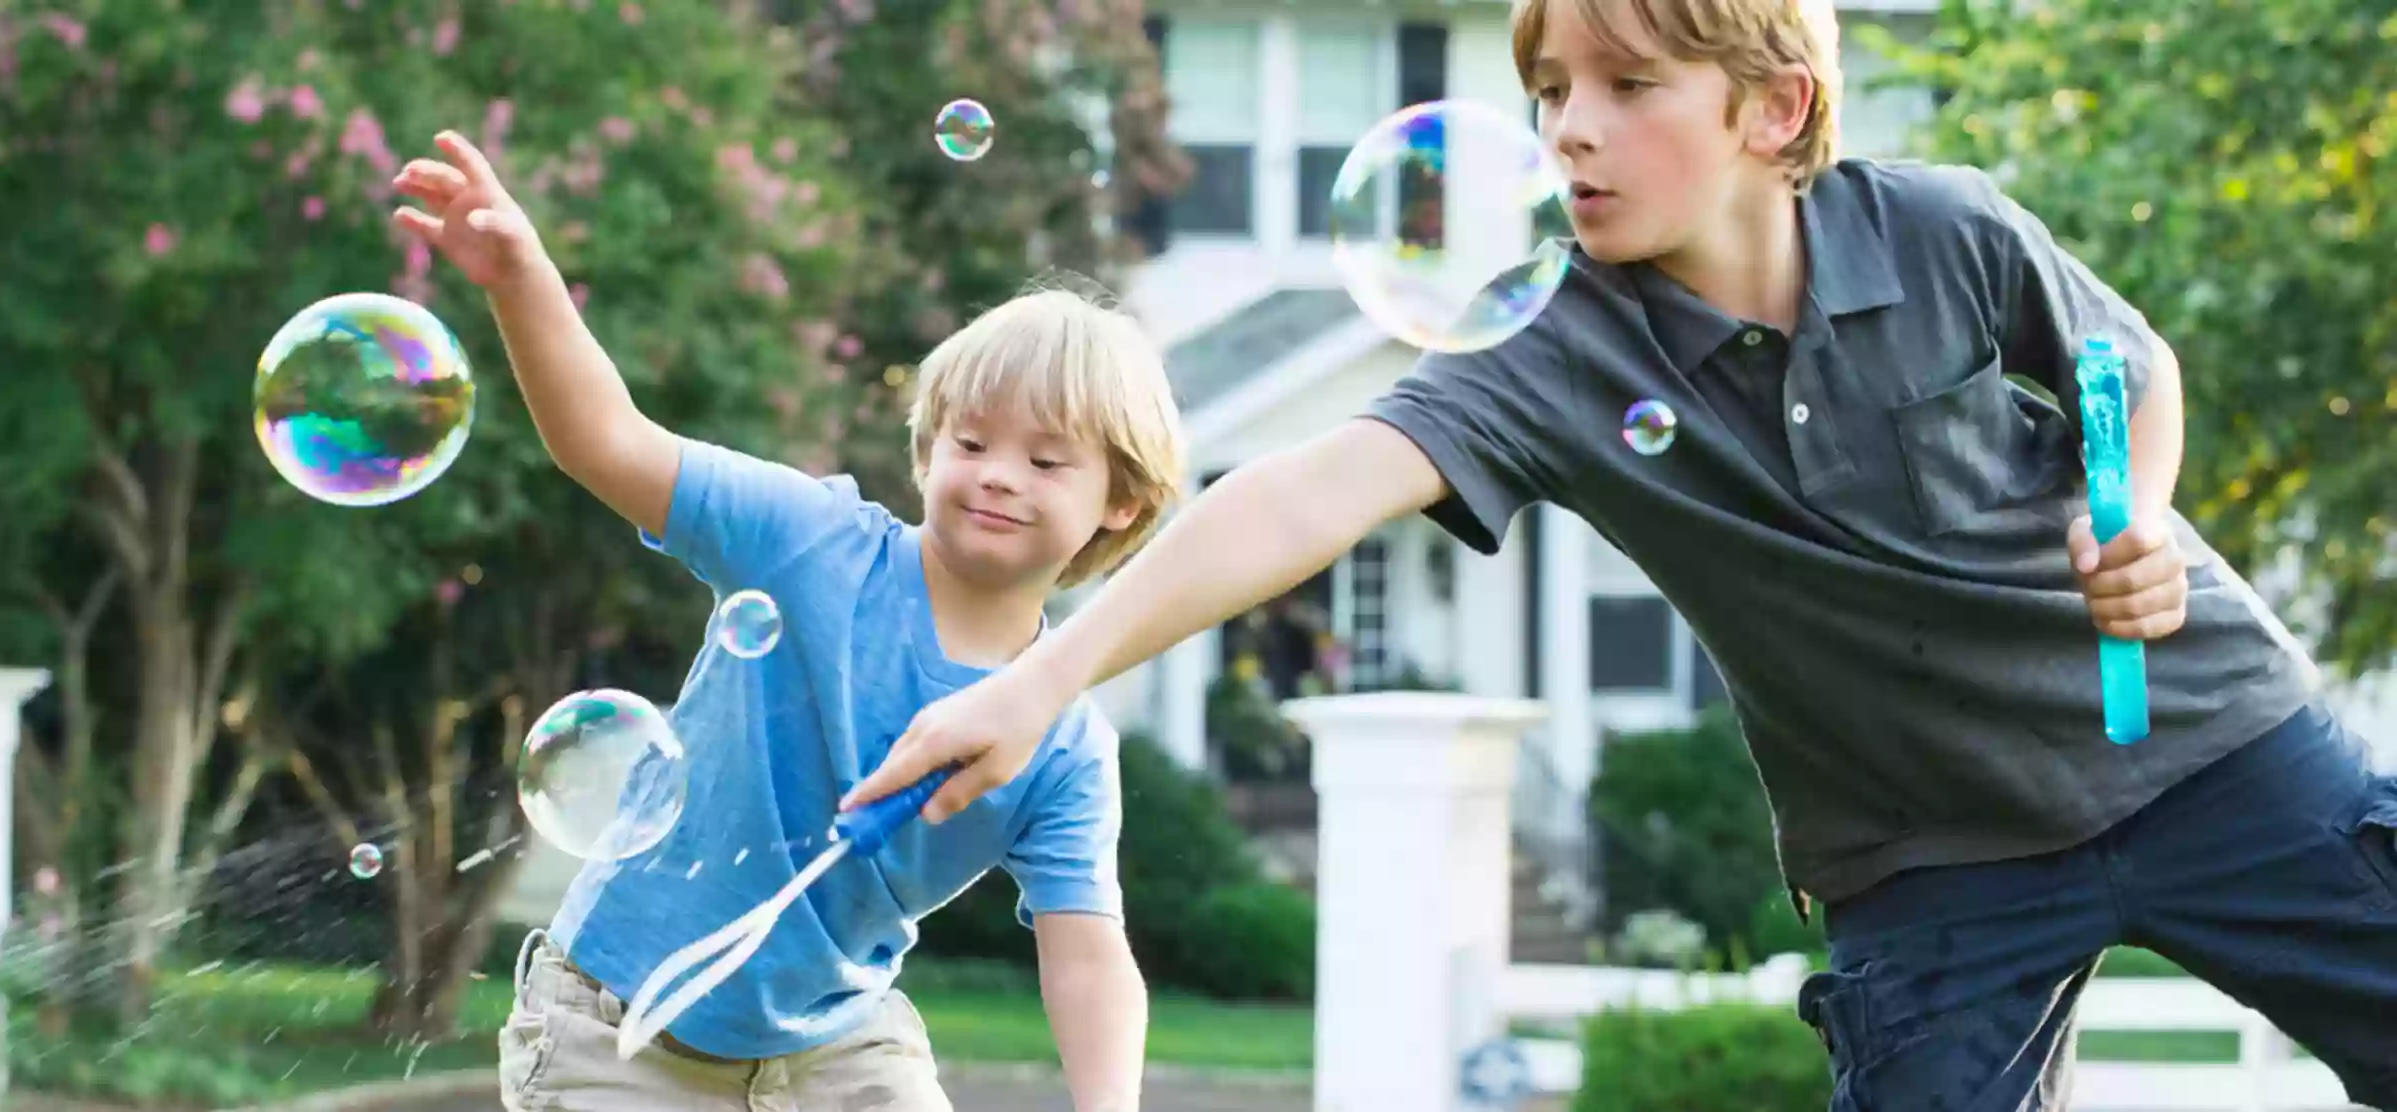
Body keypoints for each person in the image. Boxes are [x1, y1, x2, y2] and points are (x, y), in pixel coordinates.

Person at [845, 0, 2397, 1106]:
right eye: (1549, 90)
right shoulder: (1554, 346)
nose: (1571, 127)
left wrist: (2133, 514)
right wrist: (1047, 674)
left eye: (1626, 83)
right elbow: (1306, 492)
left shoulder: (1945, 230)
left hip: (2210, 750)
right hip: (1929, 856)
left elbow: (2132, 368)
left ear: (1770, 109)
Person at [392, 130, 1179, 1112]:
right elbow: (607, 439)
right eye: (971, 439)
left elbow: (1089, 953)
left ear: (1123, 503)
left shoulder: (1061, 743)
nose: (999, 474)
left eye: (1048, 460)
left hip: (837, 1050)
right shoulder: (813, 542)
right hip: (619, 1033)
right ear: (927, 450)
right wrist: (521, 275)